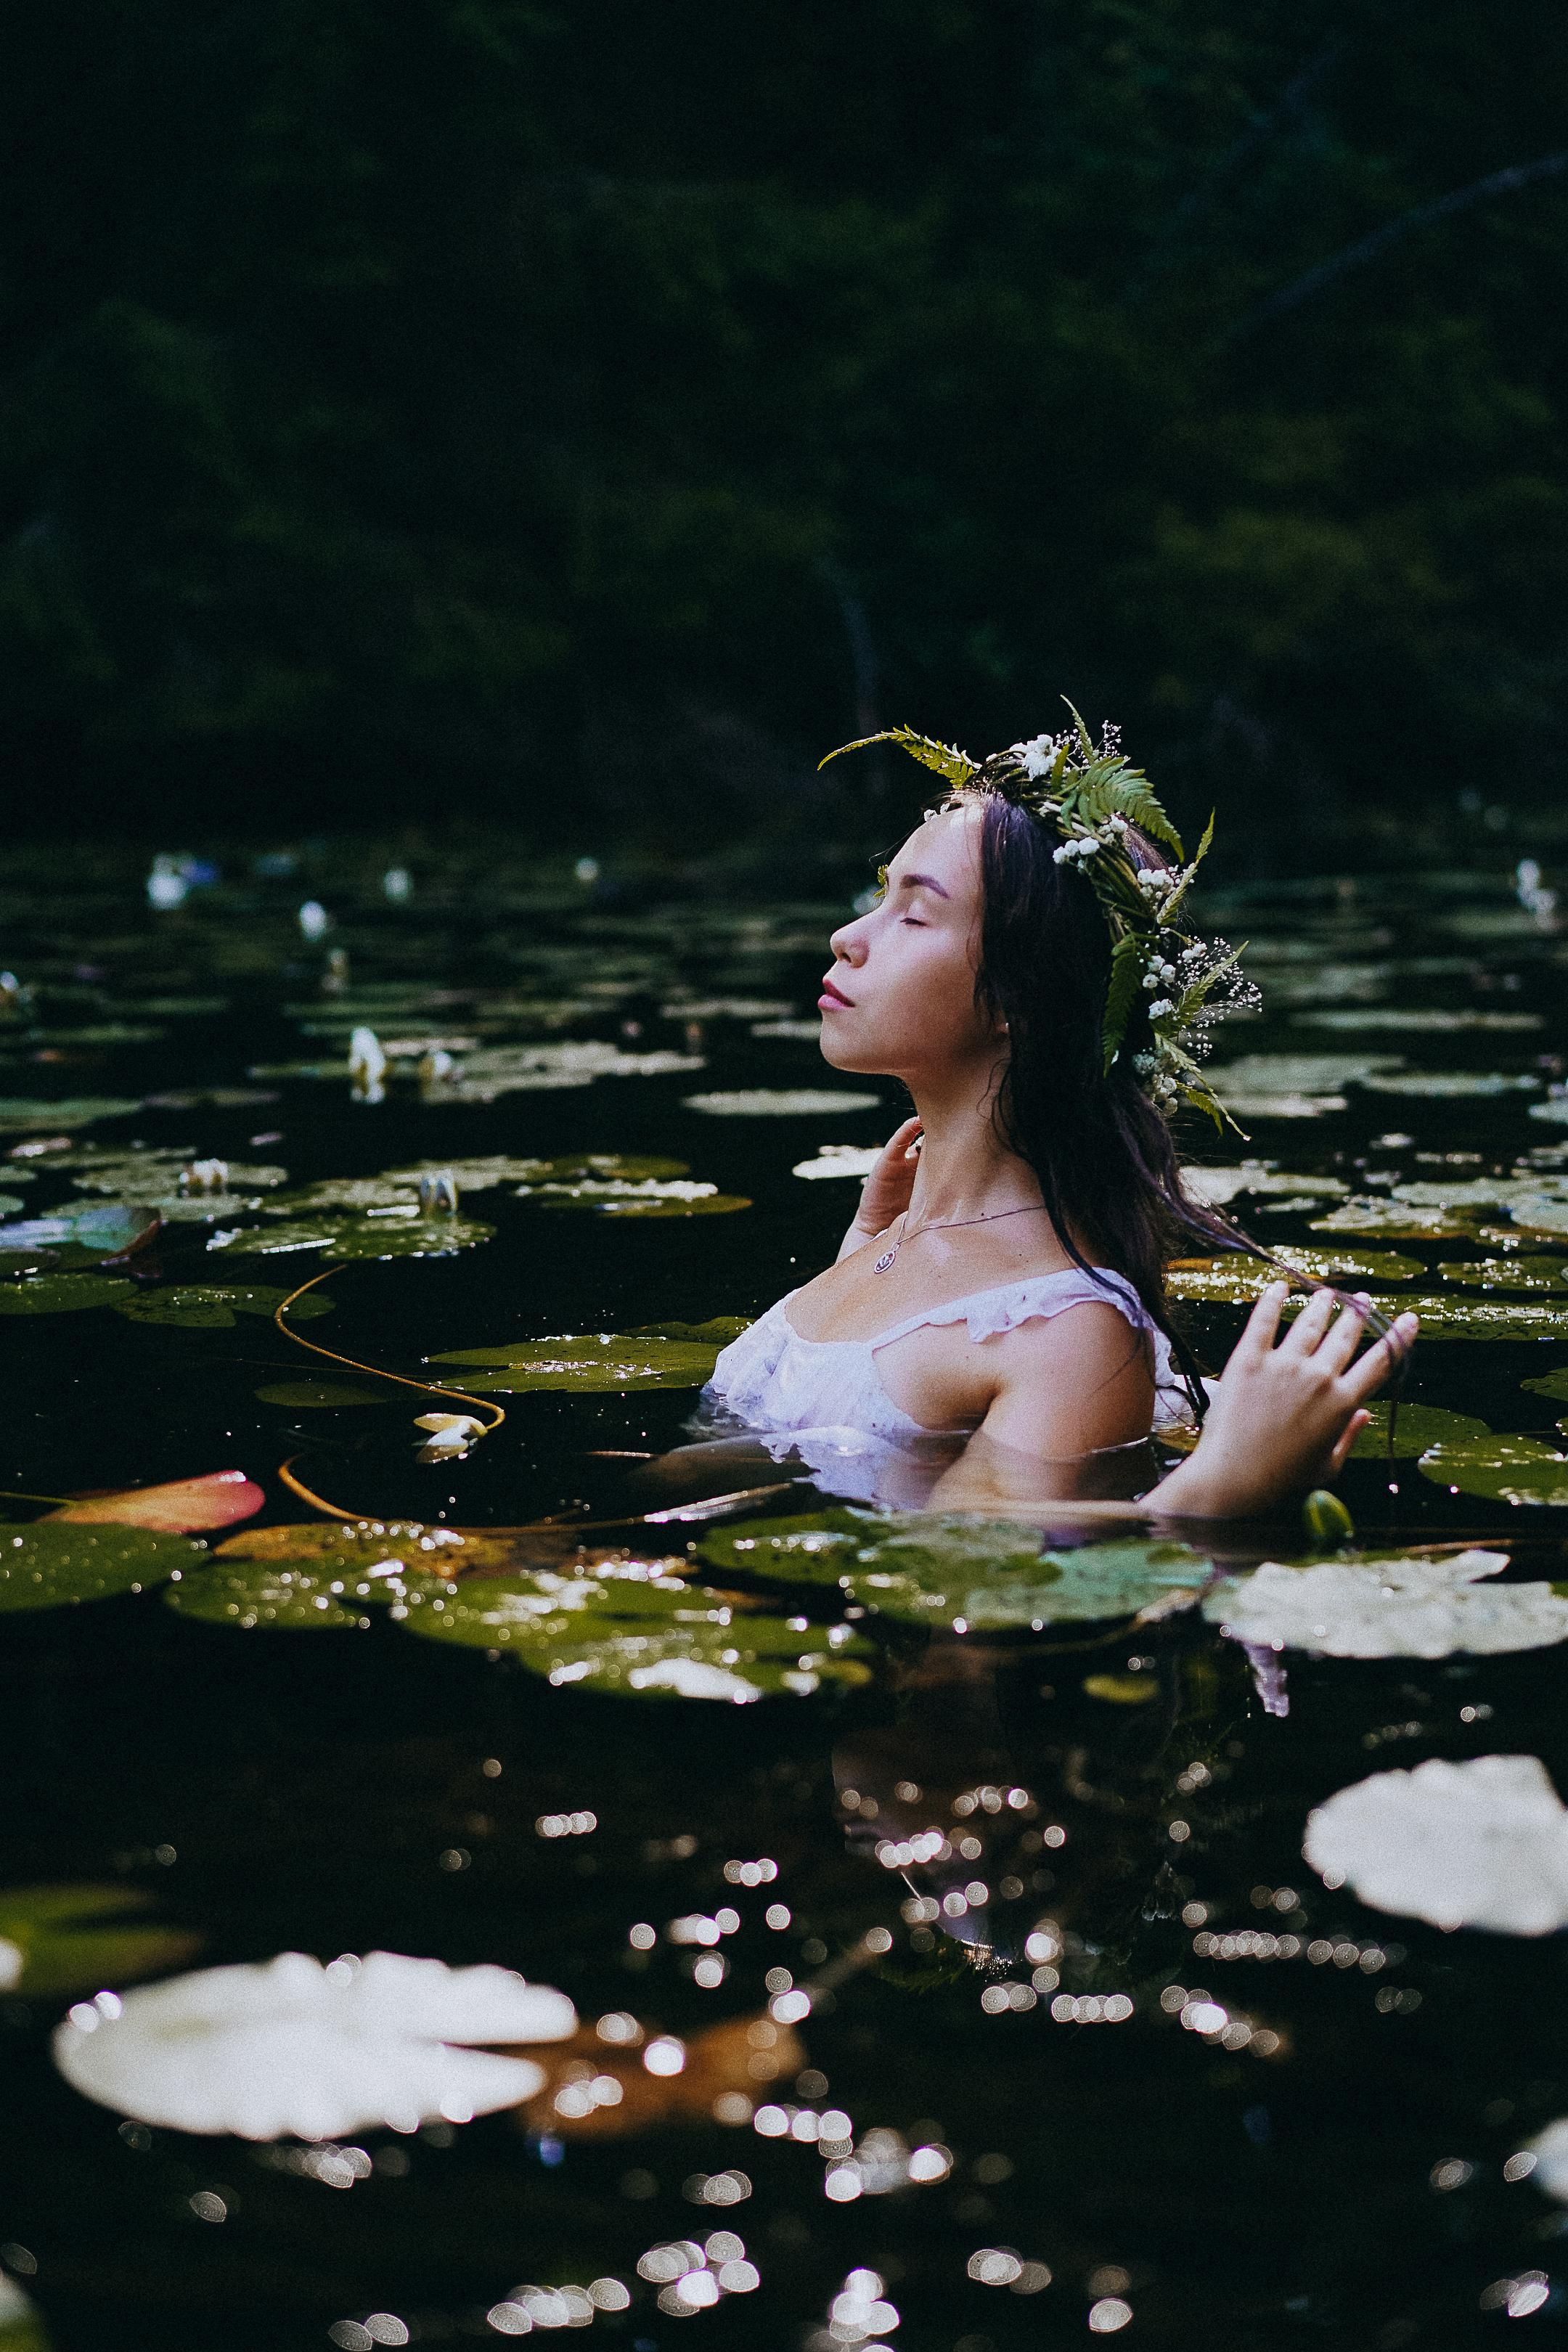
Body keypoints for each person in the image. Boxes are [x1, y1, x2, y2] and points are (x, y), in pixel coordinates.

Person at [701, 718, 1416, 1519]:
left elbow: (972, 1580)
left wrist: (1218, 1491)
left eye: (915, 913)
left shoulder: (1065, 1332)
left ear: (1023, 996)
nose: (846, 938)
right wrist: (863, 1260)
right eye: (880, 898)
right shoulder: (889, 1242)